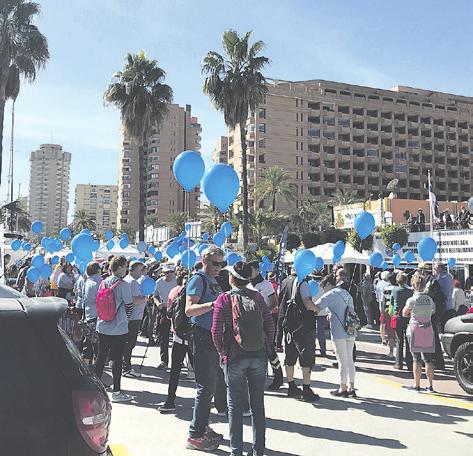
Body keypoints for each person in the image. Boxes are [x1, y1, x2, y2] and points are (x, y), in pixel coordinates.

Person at [212, 261, 275, 456]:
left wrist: (223, 352)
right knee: (257, 404)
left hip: (235, 356)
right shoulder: (257, 297)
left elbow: (216, 331)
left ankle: (236, 450)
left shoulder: (223, 299)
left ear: (232, 278)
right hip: (258, 355)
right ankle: (258, 450)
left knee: (235, 406)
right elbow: (270, 324)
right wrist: (267, 347)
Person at [185, 247, 225, 452]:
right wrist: (212, 304)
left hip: (212, 337)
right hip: (201, 336)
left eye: (221, 264)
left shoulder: (213, 280)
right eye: (215, 263)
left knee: (211, 385)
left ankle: (202, 426)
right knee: (205, 386)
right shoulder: (197, 279)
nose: (219, 268)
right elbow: (189, 309)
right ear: (205, 261)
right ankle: (195, 435)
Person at [276, 268, 319, 402]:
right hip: (304, 325)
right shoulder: (303, 283)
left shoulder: (284, 282)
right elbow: (306, 302)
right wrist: (316, 308)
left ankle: (291, 386)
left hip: (288, 325)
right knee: (306, 356)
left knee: (290, 356)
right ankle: (306, 389)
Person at [94, 256, 133, 403]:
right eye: (125, 266)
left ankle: (95, 389)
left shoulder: (103, 282)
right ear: (120, 267)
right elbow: (129, 305)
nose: (126, 269)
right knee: (117, 358)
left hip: (102, 325)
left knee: (101, 357)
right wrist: (126, 319)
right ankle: (116, 391)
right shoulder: (123, 284)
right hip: (118, 327)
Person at [314, 274, 357, 397]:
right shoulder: (346, 293)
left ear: (328, 284)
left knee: (341, 360)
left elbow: (316, 307)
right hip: (350, 329)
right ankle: (351, 386)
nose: (323, 290)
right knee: (349, 359)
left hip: (339, 330)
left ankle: (342, 387)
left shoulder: (331, 294)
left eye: (323, 287)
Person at [159, 270, 195, 413]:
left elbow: (169, 313)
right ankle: (205, 403)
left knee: (175, 371)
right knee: (201, 373)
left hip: (178, 336)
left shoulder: (174, 292)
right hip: (194, 337)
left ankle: (170, 400)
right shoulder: (197, 294)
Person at [248, 260, 284, 390]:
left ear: (257, 270)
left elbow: (274, 302)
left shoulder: (266, 284)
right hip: (251, 322)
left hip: (264, 321)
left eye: (251, 269)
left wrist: (264, 313)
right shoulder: (248, 285)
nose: (249, 272)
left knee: (269, 349)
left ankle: (278, 376)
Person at [402, 272, 436, 392]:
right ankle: (431, 385)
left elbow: (404, 313)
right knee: (428, 358)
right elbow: (433, 310)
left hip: (415, 328)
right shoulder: (429, 299)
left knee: (416, 358)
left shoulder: (412, 300)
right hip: (427, 327)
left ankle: (416, 384)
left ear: (414, 285)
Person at [418, 263, 445, 370]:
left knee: (432, 337)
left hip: (431, 314)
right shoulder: (429, 281)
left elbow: (430, 297)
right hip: (429, 313)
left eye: (420, 270)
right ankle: (433, 360)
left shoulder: (431, 282)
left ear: (423, 271)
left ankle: (437, 362)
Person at [123, 261, 147, 378]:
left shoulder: (130, 281)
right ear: (133, 269)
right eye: (140, 270)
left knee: (128, 343)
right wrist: (145, 299)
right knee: (129, 343)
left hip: (131, 317)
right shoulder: (132, 282)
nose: (142, 273)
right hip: (132, 317)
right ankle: (126, 367)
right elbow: (132, 299)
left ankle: (126, 366)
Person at [76, 261, 102, 365]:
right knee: (97, 344)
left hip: (88, 314)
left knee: (88, 342)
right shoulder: (100, 282)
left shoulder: (86, 281)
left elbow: (82, 297)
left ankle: (86, 366)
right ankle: (96, 367)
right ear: (98, 270)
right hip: (98, 315)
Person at [154, 263, 177, 369]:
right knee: (164, 337)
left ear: (173, 272)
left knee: (178, 338)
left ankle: (178, 362)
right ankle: (164, 361)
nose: (167, 275)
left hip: (175, 310)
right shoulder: (159, 282)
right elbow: (155, 296)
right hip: (163, 310)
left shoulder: (177, 282)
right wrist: (157, 303)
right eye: (165, 272)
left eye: (169, 272)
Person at [390, 272, 414, 370]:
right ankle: (409, 363)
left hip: (398, 317)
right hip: (408, 317)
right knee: (409, 341)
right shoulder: (410, 292)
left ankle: (399, 363)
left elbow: (392, 302)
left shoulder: (394, 290)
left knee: (399, 341)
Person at [434, 262, 454, 331]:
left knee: (442, 327)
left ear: (439, 268)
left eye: (435, 268)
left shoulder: (441, 278)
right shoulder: (449, 276)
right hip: (449, 305)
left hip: (443, 306)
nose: (434, 269)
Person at [375, 271, 391, 345]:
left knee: (382, 323)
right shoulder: (389, 284)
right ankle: (389, 338)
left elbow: (377, 295)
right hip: (387, 305)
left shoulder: (378, 283)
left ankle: (383, 338)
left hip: (380, 304)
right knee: (389, 323)